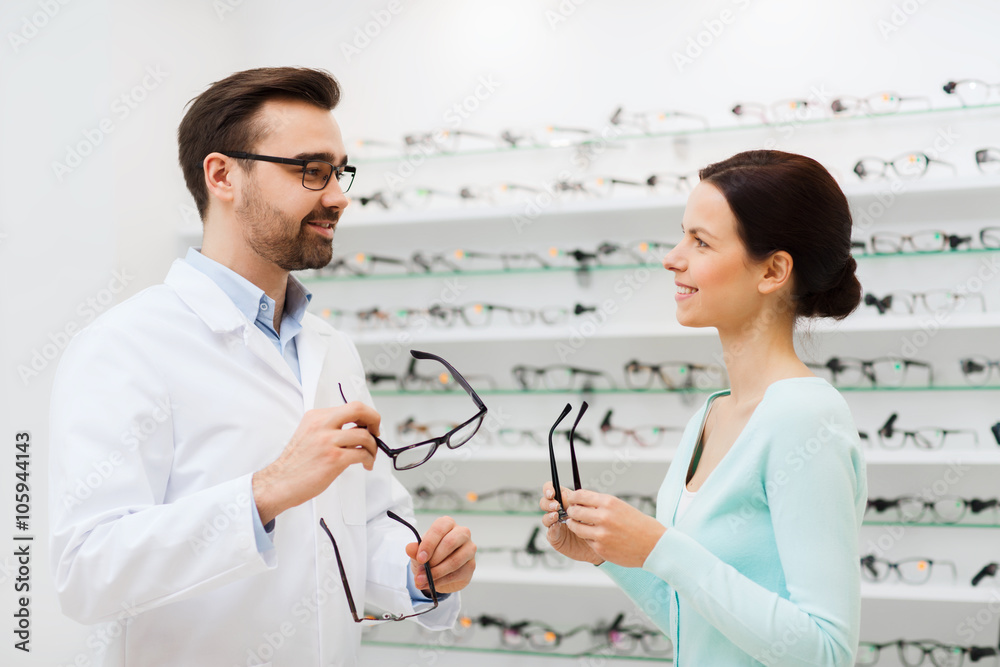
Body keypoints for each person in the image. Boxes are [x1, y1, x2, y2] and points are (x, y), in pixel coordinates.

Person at [49, 67, 476, 667]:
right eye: (310, 171)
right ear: (223, 175)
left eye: (338, 172)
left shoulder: (332, 349)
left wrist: (423, 569)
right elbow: (86, 573)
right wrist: (265, 492)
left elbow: (359, 525)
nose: (338, 196)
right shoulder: (124, 346)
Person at [541, 150, 867, 666]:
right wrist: (613, 554)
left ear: (774, 270)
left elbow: (825, 652)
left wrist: (659, 546)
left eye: (701, 241)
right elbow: (699, 624)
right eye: (682, 235)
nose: (672, 257)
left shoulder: (806, 418)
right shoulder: (710, 417)